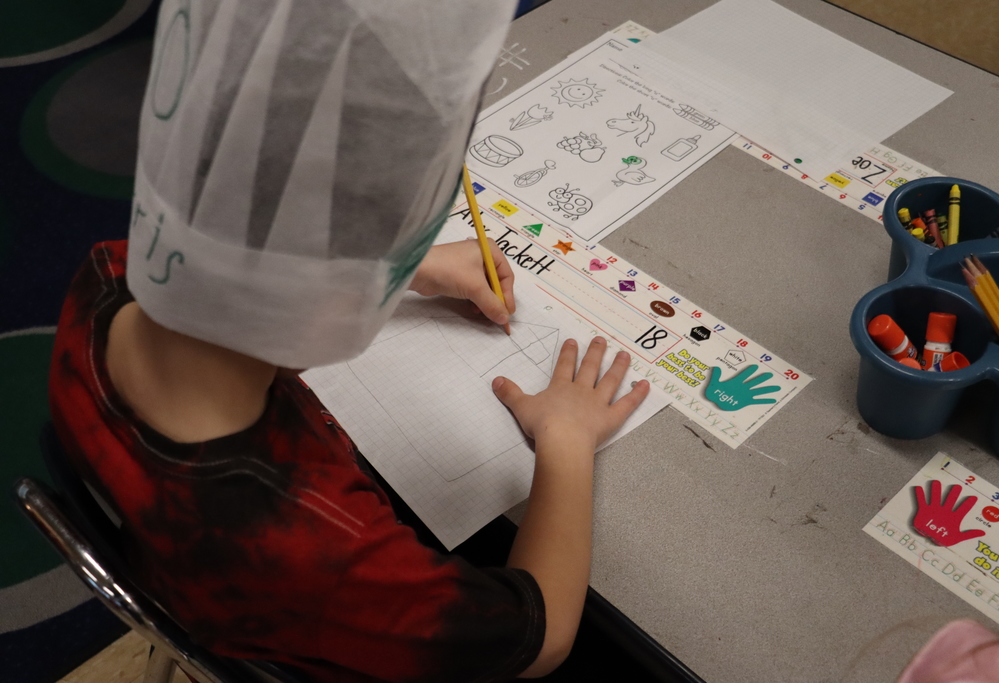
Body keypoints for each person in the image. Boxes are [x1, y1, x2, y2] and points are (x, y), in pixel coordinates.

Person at [48, 2, 650, 681]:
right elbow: (539, 638)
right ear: (337, 286)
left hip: (177, 564)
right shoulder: (320, 547)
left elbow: (231, 242)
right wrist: (566, 438)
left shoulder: (105, 275)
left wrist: (407, 267)